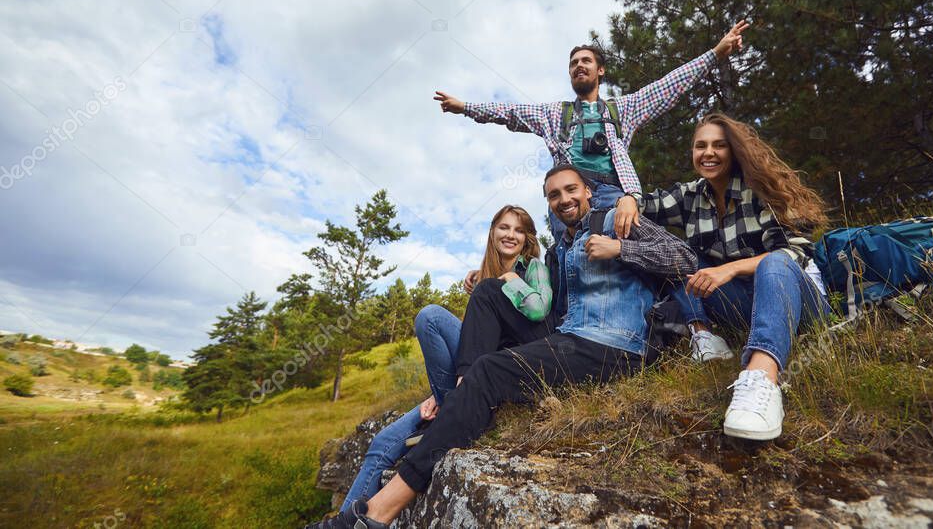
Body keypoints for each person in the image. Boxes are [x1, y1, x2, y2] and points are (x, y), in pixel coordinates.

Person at [314, 165, 699, 528]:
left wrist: (621, 250)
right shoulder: (559, 250)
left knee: (488, 369)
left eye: (570, 190)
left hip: (618, 346)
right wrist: (497, 286)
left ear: (588, 192)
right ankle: (462, 404)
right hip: (572, 342)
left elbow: (685, 258)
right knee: (486, 323)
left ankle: (378, 512)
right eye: (552, 195)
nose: (563, 199)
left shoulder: (617, 220)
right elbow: (548, 312)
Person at [615, 113, 831, 441]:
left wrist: (729, 268)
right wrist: (628, 199)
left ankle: (762, 378)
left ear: (734, 151)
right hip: (742, 306)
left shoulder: (761, 190)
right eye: (700, 146)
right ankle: (704, 337)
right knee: (679, 253)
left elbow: (796, 254)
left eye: (719, 145)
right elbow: (649, 204)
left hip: (798, 306)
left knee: (774, 262)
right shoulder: (690, 195)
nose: (709, 153)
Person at [433, 21, 749, 242]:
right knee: (568, 257)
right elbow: (508, 112)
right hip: (569, 195)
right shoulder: (553, 112)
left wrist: (716, 53)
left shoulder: (623, 108)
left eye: (586, 60)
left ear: (600, 70)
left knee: (625, 251)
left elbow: (669, 85)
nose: (579, 65)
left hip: (613, 193)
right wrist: (465, 107)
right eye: (573, 63)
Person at [333, 205, 553, 515]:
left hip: (504, 374)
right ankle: (346, 522)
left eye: (519, 230)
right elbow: (472, 346)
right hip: (470, 376)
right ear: (492, 232)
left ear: (527, 239)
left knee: (435, 316)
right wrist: (435, 394)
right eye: (504, 227)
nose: (510, 235)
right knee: (383, 441)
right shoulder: (481, 281)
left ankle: (457, 404)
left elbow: (539, 312)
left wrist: (507, 279)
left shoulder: (532, 269)